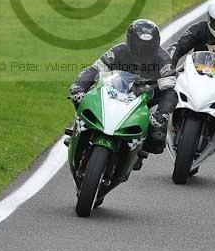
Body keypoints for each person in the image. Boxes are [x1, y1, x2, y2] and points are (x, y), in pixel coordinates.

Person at [68, 19, 176, 154]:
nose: (142, 51)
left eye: (148, 48)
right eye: (138, 46)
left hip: (146, 100)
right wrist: (79, 86)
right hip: (115, 91)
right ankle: (79, 127)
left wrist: (162, 114)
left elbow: (170, 90)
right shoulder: (118, 51)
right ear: (129, 42)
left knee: (157, 141)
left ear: (156, 46)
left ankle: (138, 149)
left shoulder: (164, 59)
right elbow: (94, 69)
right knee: (82, 95)